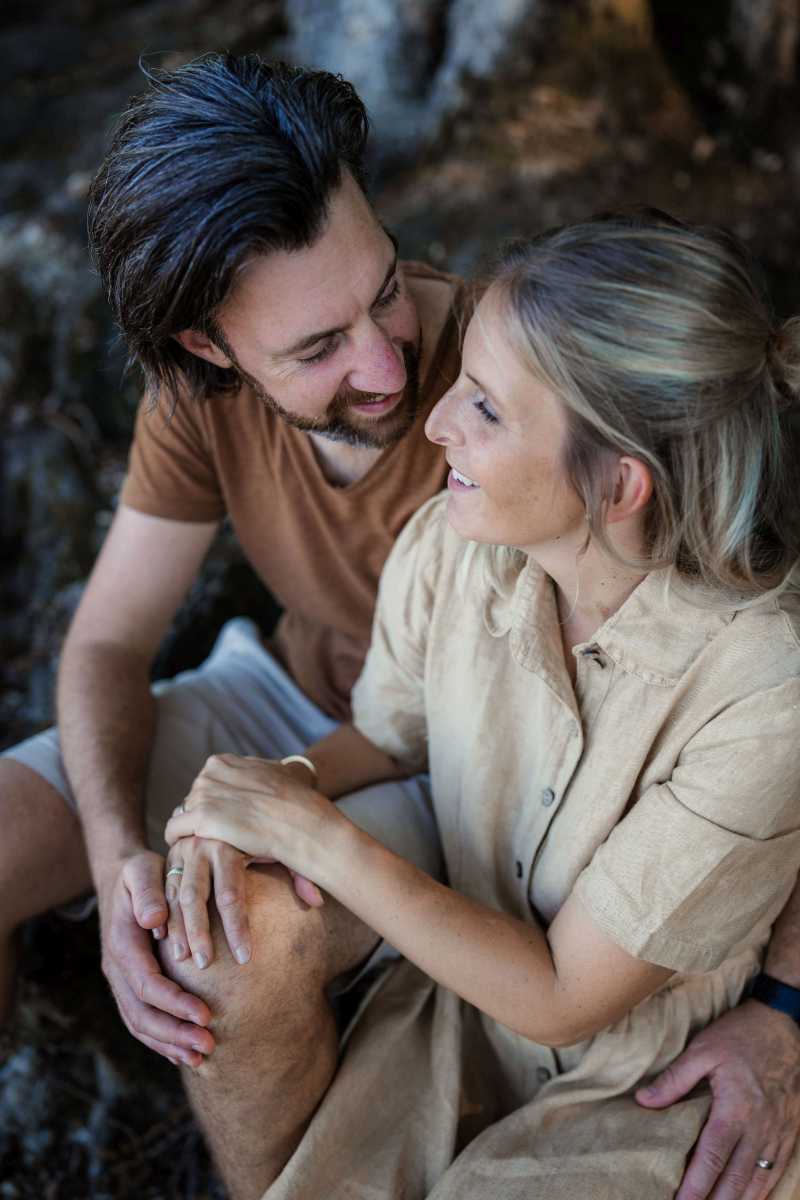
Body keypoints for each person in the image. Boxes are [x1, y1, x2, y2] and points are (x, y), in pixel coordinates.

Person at [0, 50, 796, 1200]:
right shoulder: (407, 491)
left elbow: (762, 738)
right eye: (318, 349)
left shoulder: (549, 369)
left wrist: (784, 1003)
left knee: (240, 936)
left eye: (382, 293)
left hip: (498, 827)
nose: (393, 377)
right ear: (208, 349)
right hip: (364, 722)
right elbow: (119, 645)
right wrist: (144, 845)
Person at [164, 210, 800, 1200]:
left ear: (618, 484)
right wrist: (245, 805)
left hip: (650, 1078)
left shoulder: (757, 690)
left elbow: (558, 998)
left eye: (486, 410)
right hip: (459, 1000)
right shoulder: (449, 547)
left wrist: (314, 835)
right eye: (458, 383)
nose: (431, 424)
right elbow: (382, 737)